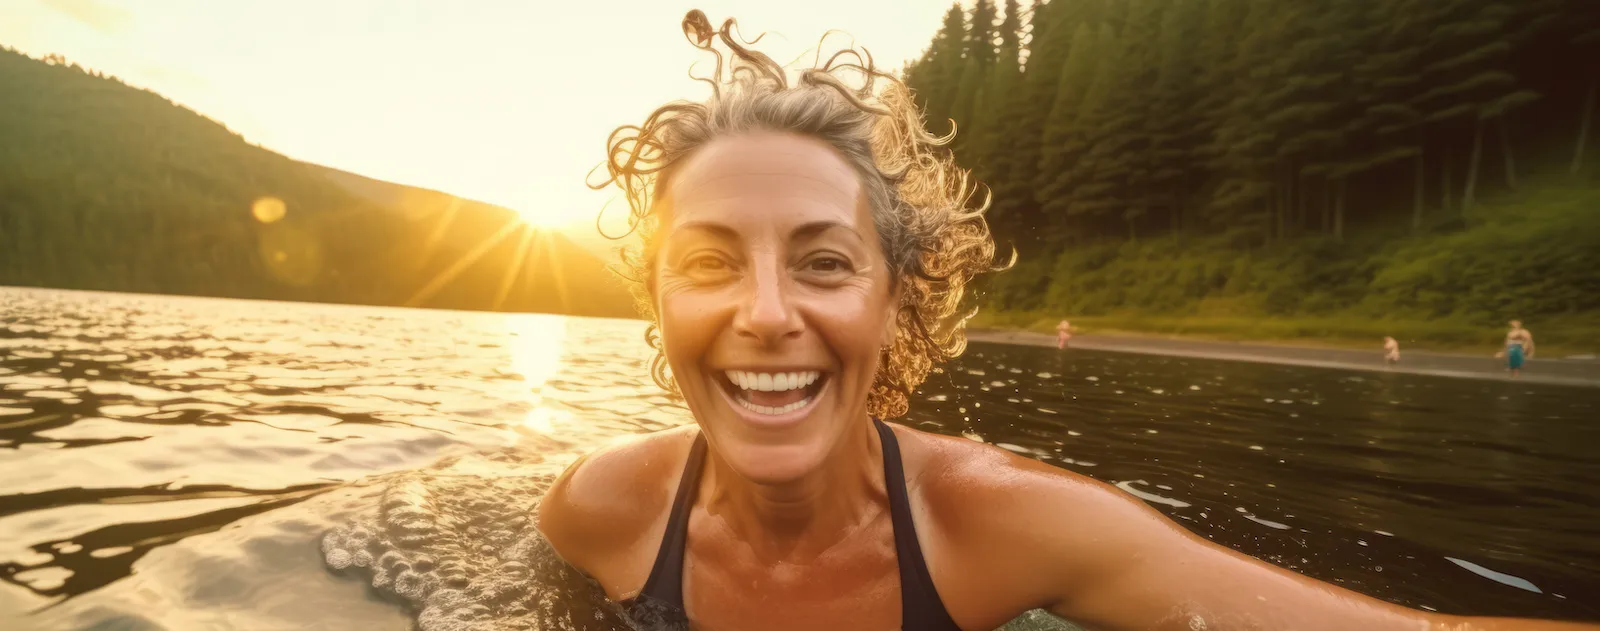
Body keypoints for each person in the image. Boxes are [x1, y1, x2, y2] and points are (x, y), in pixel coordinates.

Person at [539, 12, 1597, 631]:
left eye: (822, 261)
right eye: (710, 263)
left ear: (896, 294)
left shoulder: (997, 523)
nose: (765, 313)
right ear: (659, 301)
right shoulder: (600, 513)